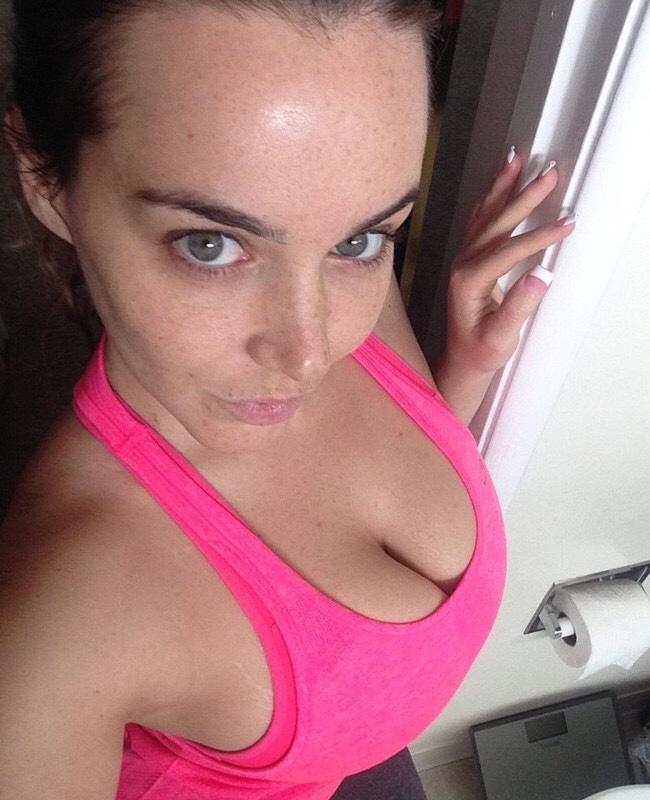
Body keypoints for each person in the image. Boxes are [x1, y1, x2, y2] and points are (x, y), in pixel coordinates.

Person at [0, 2, 576, 798]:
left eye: (362, 239)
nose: (310, 354)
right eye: (210, 245)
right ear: (44, 178)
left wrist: (464, 368)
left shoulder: (351, 296)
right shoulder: (52, 632)